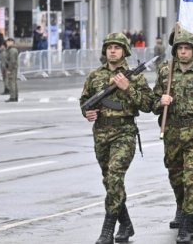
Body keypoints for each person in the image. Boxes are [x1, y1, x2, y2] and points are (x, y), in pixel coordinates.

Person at [80, 33, 153, 244]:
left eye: (117, 47)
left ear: (124, 51)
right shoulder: (95, 76)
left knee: (114, 177)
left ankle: (107, 230)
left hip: (125, 133)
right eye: (109, 47)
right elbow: (85, 101)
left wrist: (127, 88)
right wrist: (87, 113)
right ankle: (127, 224)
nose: (113, 50)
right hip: (101, 134)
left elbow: (148, 105)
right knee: (110, 182)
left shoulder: (134, 76)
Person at [152, 33, 193, 244]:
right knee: (176, 178)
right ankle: (187, 212)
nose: (183, 51)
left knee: (191, 178)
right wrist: (160, 101)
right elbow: (152, 103)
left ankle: (187, 224)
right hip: (172, 132)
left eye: (187, 48)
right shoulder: (166, 72)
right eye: (179, 48)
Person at [4, 38, 19, 102]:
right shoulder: (11, 49)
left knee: (12, 83)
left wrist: (9, 69)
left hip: (12, 68)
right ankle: (15, 96)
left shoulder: (12, 50)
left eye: (8, 42)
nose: (7, 43)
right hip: (13, 68)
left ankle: (13, 97)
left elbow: (12, 61)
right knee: (13, 82)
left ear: (12, 42)